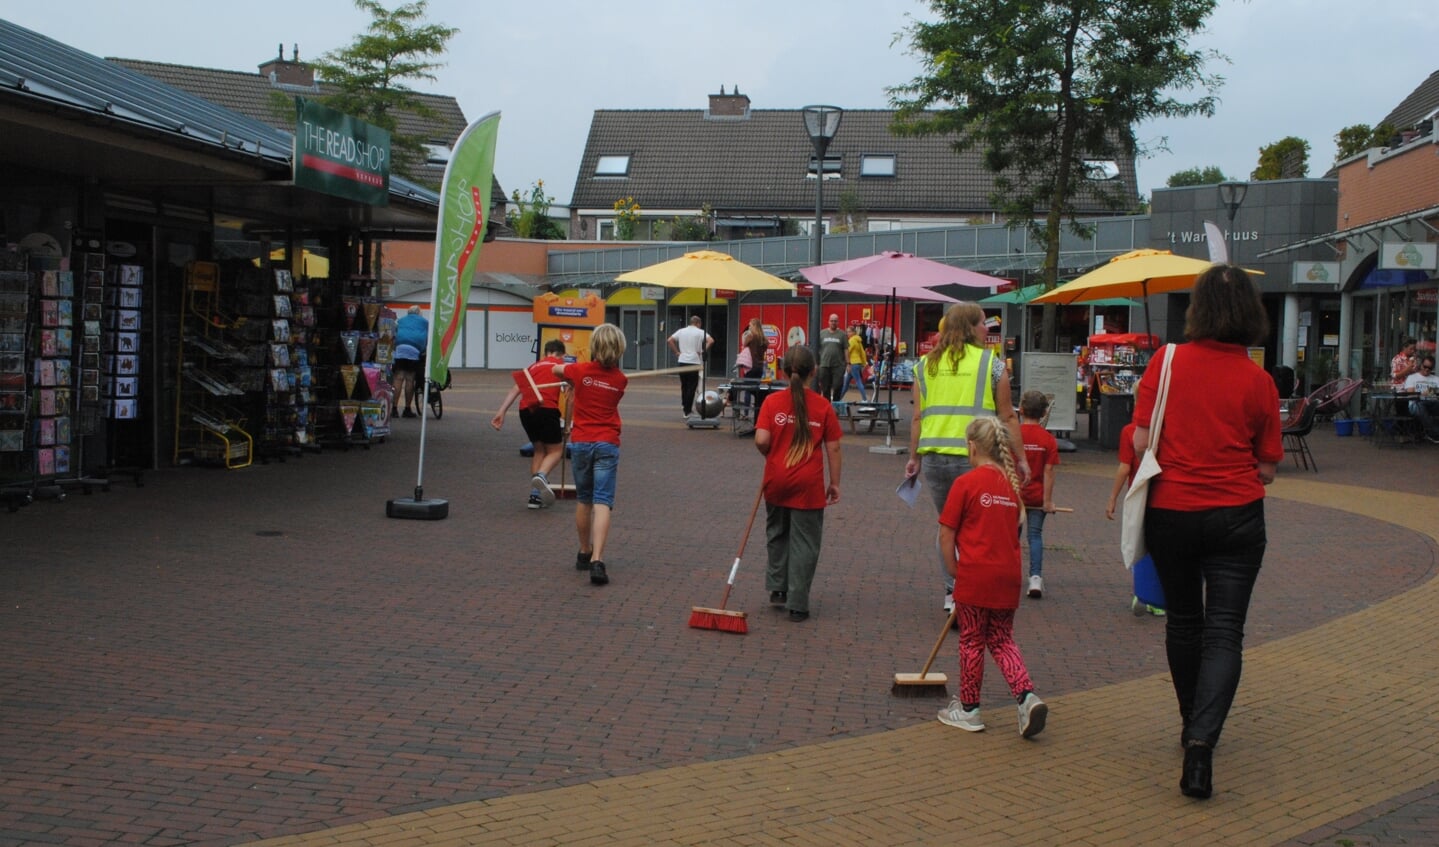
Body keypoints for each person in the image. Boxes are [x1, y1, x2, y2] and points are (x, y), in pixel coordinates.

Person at [1131, 263, 1282, 800]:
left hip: (1171, 510)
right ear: (1250, 314)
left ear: (1196, 310)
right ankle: (1201, 744)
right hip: (1238, 516)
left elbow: (1139, 440)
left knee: (1183, 622)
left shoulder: (1165, 362)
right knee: (1225, 630)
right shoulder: (1260, 381)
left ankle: (1189, 718)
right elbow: (1267, 466)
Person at [905, 302, 1026, 619]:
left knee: (948, 524)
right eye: (984, 323)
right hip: (977, 457)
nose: (988, 329)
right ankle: (975, 591)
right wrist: (1021, 458)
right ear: (971, 327)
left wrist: (913, 457)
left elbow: (917, 417)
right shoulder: (992, 364)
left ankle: (952, 592)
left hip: (934, 459)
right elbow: (1008, 416)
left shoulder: (925, 365)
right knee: (977, 526)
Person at [934, 416, 1047, 739]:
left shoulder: (966, 484)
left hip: (974, 573)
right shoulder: (1011, 487)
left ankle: (969, 709)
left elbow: (946, 534)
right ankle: (1026, 696)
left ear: (972, 446)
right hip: (1007, 576)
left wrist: (954, 572)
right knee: (1001, 638)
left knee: (971, 640)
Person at [754, 344, 842, 622]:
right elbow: (834, 449)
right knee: (805, 542)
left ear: (782, 371)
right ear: (814, 372)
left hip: (777, 478)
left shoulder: (772, 403)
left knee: (777, 533)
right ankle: (798, 602)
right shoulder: (823, 406)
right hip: (808, 483)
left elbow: (761, 440)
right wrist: (835, 483)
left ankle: (778, 587)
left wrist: (770, 456)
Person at [554, 324, 629, 587]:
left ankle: (584, 552)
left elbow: (556, 369)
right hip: (607, 442)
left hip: (582, 442)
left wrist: (569, 379)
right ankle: (598, 559)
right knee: (603, 501)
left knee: (584, 499)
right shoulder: (621, 380)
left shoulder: (580, 371)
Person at [491, 339, 568, 509]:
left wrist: (501, 412)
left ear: (545, 353)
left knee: (539, 450)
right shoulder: (559, 365)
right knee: (556, 450)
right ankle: (541, 476)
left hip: (526, 410)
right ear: (561, 354)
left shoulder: (532, 367)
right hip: (546, 408)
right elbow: (570, 389)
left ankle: (535, 496)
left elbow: (516, 389)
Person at [1105, 420, 1165, 617]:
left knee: (1138, 542)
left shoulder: (1129, 431)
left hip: (1139, 494)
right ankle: (1158, 599)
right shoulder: (1168, 428)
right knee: (1160, 545)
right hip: (1164, 493)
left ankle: (1141, 591)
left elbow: (1124, 467)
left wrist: (1113, 497)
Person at [1017, 390, 1059, 599]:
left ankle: (1010, 575)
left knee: (1011, 537)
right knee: (1034, 536)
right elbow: (1048, 472)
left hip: (1014, 496)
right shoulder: (1048, 440)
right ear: (1044, 413)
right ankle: (1035, 578)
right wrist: (1047, 501)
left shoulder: (1013, 435)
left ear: (1021, 410)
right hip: (1037, 496)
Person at [667, 315, 712, 418]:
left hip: (682, 361)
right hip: (694, 362)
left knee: (684, 385)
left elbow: (669, 340)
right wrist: (703, 350)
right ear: (698, 323)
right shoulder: (700, 332)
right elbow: (711, 340)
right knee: (692, 387)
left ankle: (684, 406)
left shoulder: (681, 331)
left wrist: (677, 352)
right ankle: (687, 411)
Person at [392, 305, 428, 418]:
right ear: (419, 313)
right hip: (414, 350)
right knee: (409, 379)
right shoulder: (425, 322)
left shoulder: (401, 320)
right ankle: (407, 409)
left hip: (400, 349)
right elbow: (427, 338)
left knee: (398, 378)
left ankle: (394, 409)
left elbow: (395, 333)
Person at [1402, 355, 1439, 443]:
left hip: (1432, 403)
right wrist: (1425, 393)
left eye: (1429, 368)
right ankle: (1434, 433)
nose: (1426, 369)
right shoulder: (1412, 378)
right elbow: (1411, 394)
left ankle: (1432, 433)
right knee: (1420, 406)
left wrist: (1429, 393)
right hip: (1417, 403)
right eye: (1425, 367)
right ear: (1421, 365)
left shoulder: (1436, 379)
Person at [816, 314, 847, 400]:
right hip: (824, 365)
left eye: (835, 321)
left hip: (838, 366)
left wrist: (848, 364)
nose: (833, 323)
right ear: (828, 322)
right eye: (832, 321)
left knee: (838, 386)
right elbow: (816, 348)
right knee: (825, 388)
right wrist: (816, 363)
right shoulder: (822, 333)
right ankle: (827, 407)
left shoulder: (842, 334)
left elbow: (846, 349)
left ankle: (836, 406)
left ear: (838, 322)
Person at [838, 326, 870, 401]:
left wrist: (843, 360)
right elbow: (862, 353)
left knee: (858, 382)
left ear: (853, 332)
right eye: (847, 332)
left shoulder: (851, 341)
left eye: (849, 332)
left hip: (852, 364)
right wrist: (863, 363)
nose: (847, 333)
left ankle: (864, 399)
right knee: (846, 384)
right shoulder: (858, 341)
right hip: (857, 364)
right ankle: (838, 399)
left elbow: (847, 352)